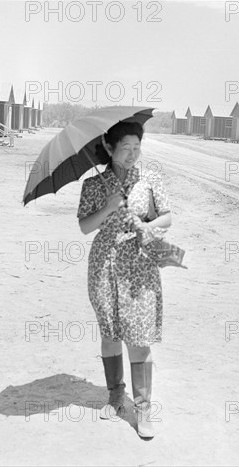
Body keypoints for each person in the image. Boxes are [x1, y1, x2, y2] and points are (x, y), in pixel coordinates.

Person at [77, 121, 172, 439]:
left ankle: (144, 410)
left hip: (140, 265)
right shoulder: (93, 185)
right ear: (109, 146)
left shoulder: (150, 180)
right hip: (104, 265)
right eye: (126, 147)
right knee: (110, 332)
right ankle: (116, 398)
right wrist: (108, 207)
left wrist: (149, 225)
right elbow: (85, 227)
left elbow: (168, 216)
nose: (132, 154)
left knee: (139, 337)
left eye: (137, 147)